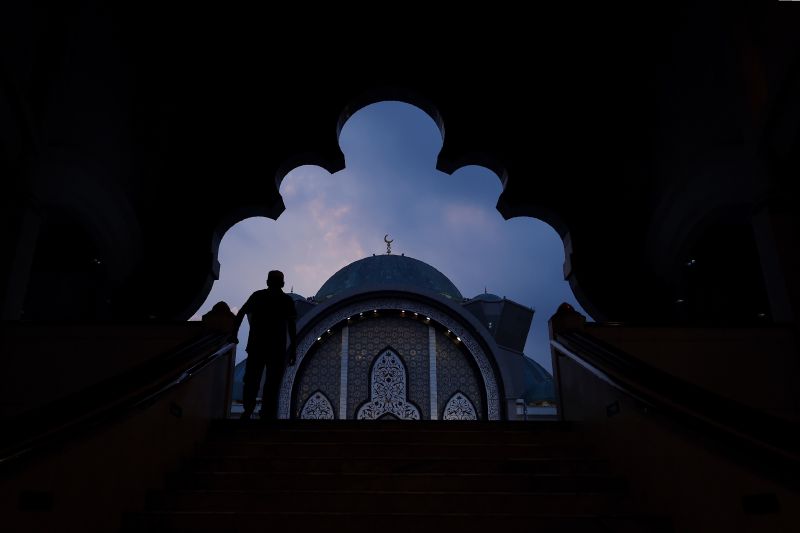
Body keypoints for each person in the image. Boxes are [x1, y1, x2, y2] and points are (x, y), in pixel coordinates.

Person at [232, 270, 297, 421]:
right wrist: (293, 349)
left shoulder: (258, 296)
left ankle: (248, 410)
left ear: (267, 282)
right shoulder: (286, 300)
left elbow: (241, 313)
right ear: (283, 283)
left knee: (252, 380)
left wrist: (234, 334)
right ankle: (266, 413)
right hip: (276, 349)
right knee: (271, 382)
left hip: (257, 346)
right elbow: (292, 326)